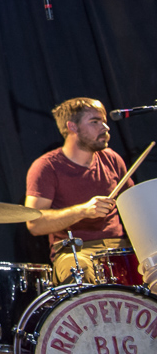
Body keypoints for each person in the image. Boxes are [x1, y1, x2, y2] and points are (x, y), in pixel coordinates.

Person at [25, 97, 134, 283]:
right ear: (72, 127)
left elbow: (134, 207)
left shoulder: (112, 159)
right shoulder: (46, 167)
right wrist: (83, 211)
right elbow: (34, 224)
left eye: (104, 122)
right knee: (78, 271)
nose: (105, 128)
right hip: (75, 251)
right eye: (95, 122)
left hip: (119, 247)